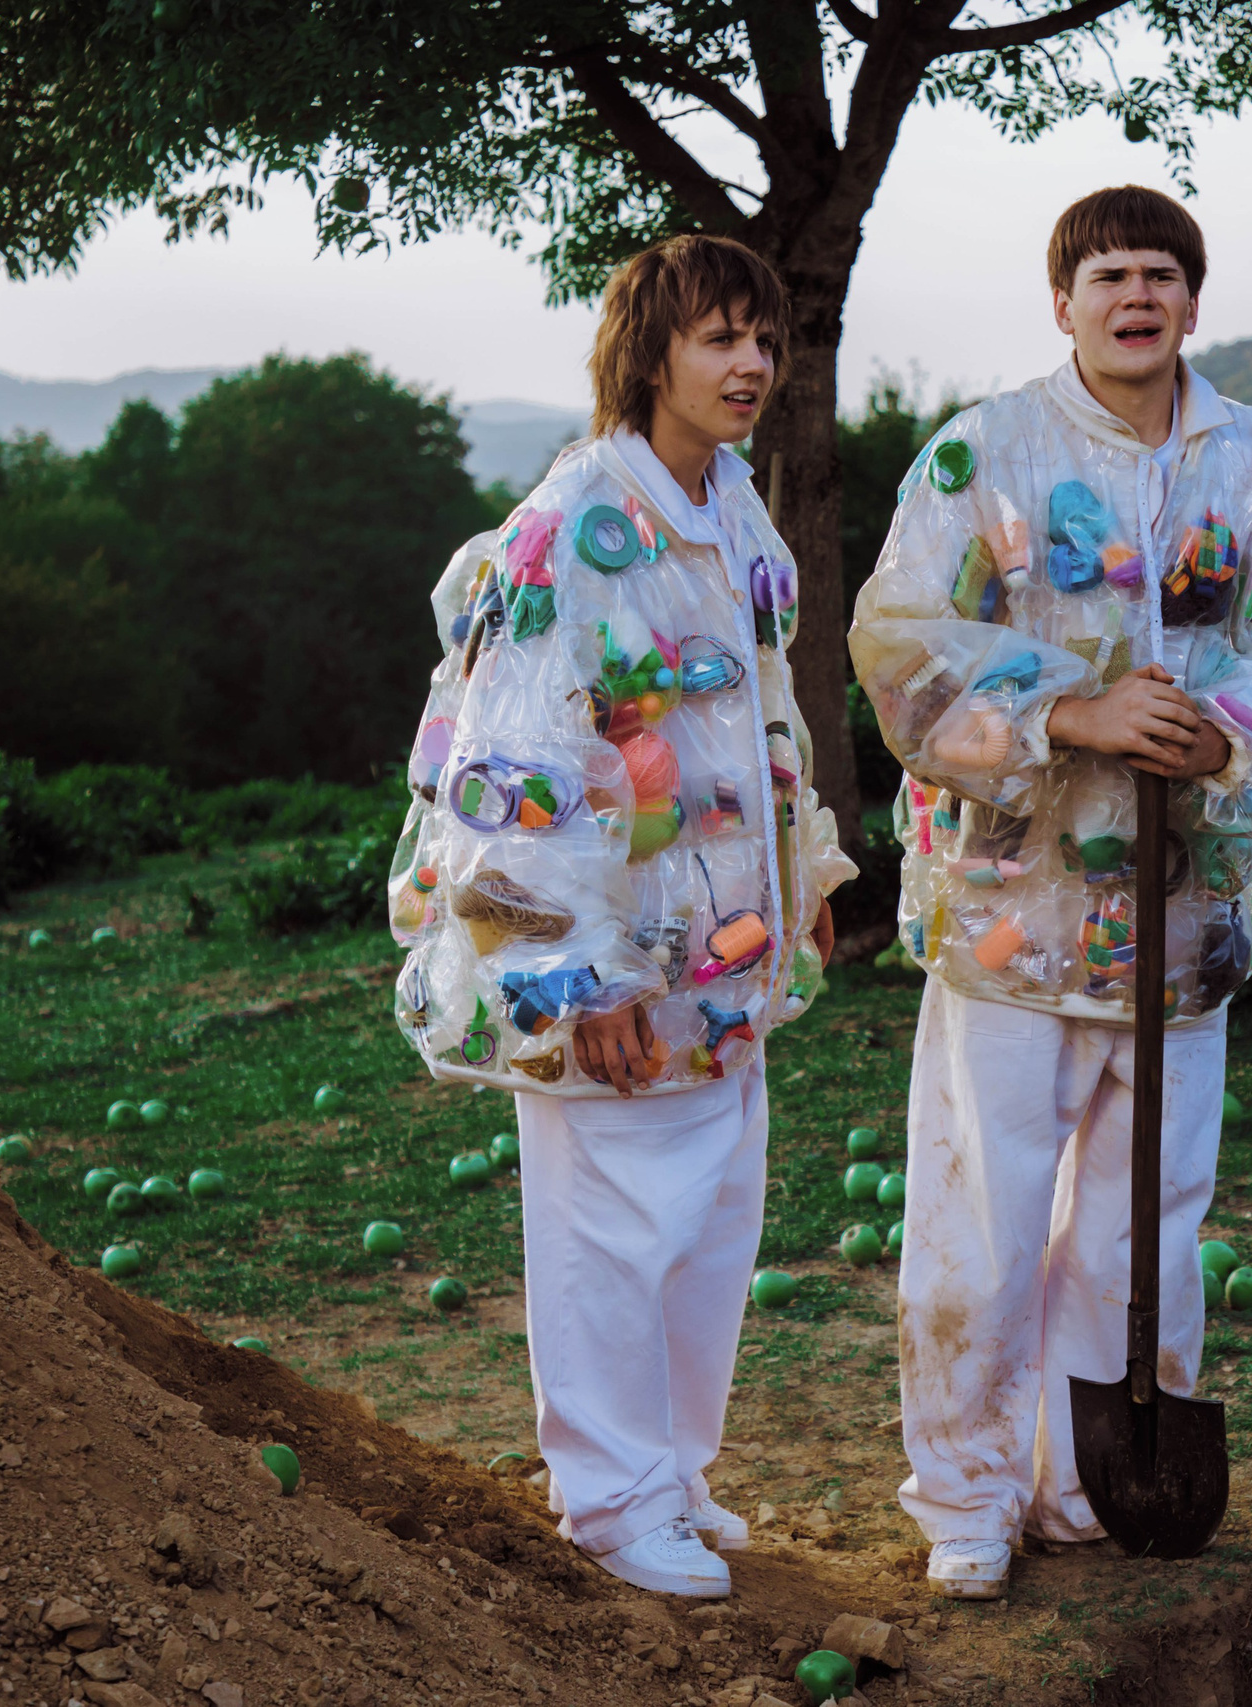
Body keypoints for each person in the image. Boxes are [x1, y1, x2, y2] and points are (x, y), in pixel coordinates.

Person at [848, 185, 1252, 1599]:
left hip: (1184, 923)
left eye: (1159, 273)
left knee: (1145, 1228)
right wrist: (1072, 712)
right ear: (1063, 303)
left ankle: (1088, 1486)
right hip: (1008, 919)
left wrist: (1229, 735)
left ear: (1193, 301)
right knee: (984, 1224)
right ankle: (964, 1496)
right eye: (1106, 275)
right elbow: (898, 638)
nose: (1134, 296)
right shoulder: (986, 454)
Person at [386, 233, 853, 1598]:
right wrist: (577, 987)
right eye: (719, 338)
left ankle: (670, 1478)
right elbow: (516, 769)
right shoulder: (578, 522)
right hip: (618, 976)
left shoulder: (734, 510)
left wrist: (804, 877)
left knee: (707, 1235)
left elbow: (767, 721)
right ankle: (607, 1504)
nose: (752, 365)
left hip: (721, 963)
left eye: (764, 340)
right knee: (609, 1238)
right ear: (649, 354)